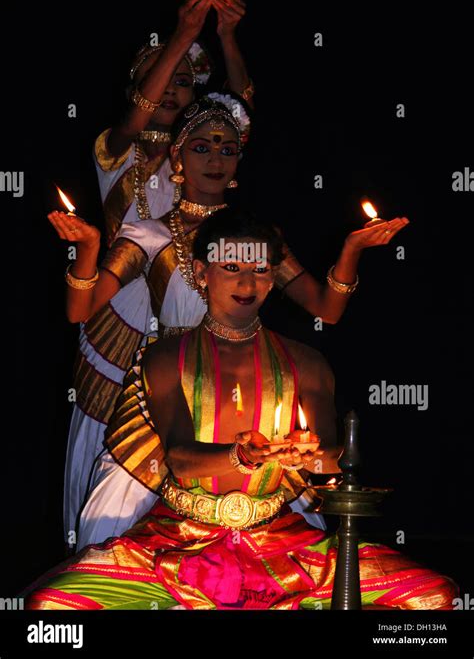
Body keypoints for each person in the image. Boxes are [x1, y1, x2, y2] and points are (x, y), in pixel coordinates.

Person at [26, 211, 456, 610]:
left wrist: (310, 455)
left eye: (260, 270)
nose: (247, 283)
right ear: (201, 273)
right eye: (232, 268)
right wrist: (245, 457)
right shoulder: (165, 357)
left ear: (273, 278)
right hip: (177, 542)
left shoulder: (305, 362)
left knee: (435, 596)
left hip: (284, 543)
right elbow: (179, 458)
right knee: (50, 605)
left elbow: (330, 459)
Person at [50, 93, 409, 548]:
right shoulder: (149, 233)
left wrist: (351, 251)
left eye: (228, 149)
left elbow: (326, 309)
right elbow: (80, 310)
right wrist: (88, 248)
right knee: (113, 517)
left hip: (252, 380)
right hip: (172, 380)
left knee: (290, 505)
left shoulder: (257, 239)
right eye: (201, 147)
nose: (216, 159)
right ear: (176, 156)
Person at [95, 0, 253, 246]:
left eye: (181, 82)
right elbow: (135, 119)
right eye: (157, 79)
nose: (168, 88)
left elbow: (240, 113)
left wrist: (227, 34)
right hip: (125, 282)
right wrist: (184, 35)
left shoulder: (202, 150)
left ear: (194, 95)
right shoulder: (117, 147)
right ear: (131, 92)